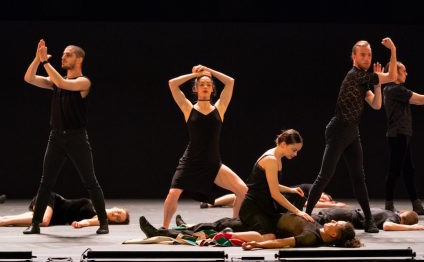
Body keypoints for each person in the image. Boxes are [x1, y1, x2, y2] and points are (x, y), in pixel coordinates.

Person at [305, 38, 398, 233]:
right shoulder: (355, 75)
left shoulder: (365, 79)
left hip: (352, 132)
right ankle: (303, 215)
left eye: (369, 55)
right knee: (325, 176)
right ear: (354, 57)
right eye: (362, 55)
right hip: (339, 129)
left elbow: (377, 105)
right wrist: (393, 50)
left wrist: (378, 84)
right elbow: (392, 76)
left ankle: (369, 221)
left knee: (359, 177)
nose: (366, 58)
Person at [22, 39, 109, 234]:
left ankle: (104, 222)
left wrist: (46, 63)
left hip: (76, 138)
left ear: (79, 59)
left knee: (90, 181)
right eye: (62, 54)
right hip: (56, 138)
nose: (63, 57)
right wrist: (37, 60)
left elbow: (62, 82)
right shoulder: (56, 82)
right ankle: (35, 224)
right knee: (46, 182)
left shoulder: (84, 82)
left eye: (68, 54)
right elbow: (29, 78)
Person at [159, 65, 247, 229]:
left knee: (243, 190)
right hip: (191, 161)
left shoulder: (220, 108)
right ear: (196, 88)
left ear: (213, 89)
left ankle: (235, 224)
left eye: (208, 84)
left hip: (213, 163)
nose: (205, 87)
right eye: (201, 84)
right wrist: (195, 75)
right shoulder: (188, 108)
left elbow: (230, 82)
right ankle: (164, 228)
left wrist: (209, 71)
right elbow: (172, 83)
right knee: (172, 195)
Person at [383, 61, 424, 215]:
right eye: (403, 71)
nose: (406, 73)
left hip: (403, 134)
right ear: (395, 73)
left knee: (408, 170)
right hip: (397, 135)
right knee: (395, 170)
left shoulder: (394, 89)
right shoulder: (393, 89)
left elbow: (417, 100)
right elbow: (418, 99)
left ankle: (416, 205)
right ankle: (388, 205)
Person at [238, 129, 315, 242]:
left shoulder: (277, 157)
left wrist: (291, 190)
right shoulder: (271, 159)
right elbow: (274, 193)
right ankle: (226, 236)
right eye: (294, 150)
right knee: (269, 236)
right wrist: (297, 211)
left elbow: (271, 185)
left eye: (297, 151)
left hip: (264, 205)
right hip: (253, 207)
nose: (295, 154)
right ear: (283, 144)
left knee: (298, 195)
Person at [139, 213, 361, 248]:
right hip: (264, 219)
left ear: (333, 234)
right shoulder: (319, 228)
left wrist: (257, 245)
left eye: (336, 225)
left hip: (262, 227)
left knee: (219, 227)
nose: (333, 222)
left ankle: (160, 233)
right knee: (221, 222)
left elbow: (281, 243)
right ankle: (185, 226)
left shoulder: (310, 237)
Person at [0, 192, 129, 228]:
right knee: (43, 221)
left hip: (54, 216)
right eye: (119, 212)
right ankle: (2, 223)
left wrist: (80, 224)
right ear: (117, 208)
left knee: (14, 221)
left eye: (118, 218)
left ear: (114, 222)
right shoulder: (95, 203)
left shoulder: (100, 219)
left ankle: (2, 221)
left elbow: (87, 222)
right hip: (52, 200)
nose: (116, 214)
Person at [200, 183, 347, 209]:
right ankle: (211, 203)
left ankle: (211, 203)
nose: (322, 200)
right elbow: (311, 202)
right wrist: (331, 204)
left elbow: (308, 204)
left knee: (244, 198)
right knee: (243, 194)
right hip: (278, 192)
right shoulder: (314, 189)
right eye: (324, 198)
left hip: (278, 197)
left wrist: (330, 204)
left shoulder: (307, 196)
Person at [314, 207, 424, 231]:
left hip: (344, 212)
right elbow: (387, 226)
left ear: (403, 212)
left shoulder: (389, 212)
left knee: (312, 218)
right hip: (347, 217)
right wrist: (411, 228)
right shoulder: (394, 217)